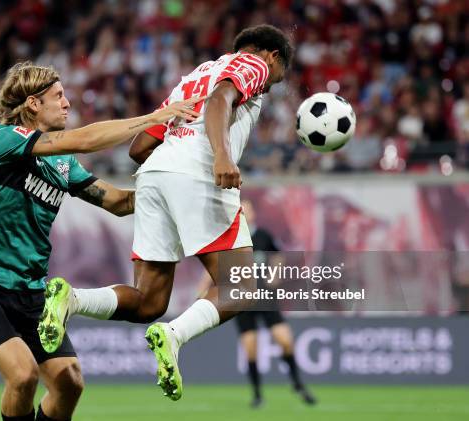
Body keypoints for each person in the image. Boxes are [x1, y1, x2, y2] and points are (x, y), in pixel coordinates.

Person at [38, 24, 293, 401]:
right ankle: (174, 336)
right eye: (277, 76)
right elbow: (222, 97)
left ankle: (72, 300)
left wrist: (172, 168)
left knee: (149, 302)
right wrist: (222, 154)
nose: (271, 85)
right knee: (240, 286)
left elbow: (139, 147)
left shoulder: (193, 77)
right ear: (272, 56)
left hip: (155, 175)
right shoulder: (253, 63)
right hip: (201, 172)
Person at [0, 61, 200, 421]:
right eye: (58, 97)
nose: (67, 104)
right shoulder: (1, 141)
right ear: (33, 104)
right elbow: (84, 139)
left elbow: (119, 203)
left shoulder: (62, 164)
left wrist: (180, 189)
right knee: (23, 375)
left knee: (70, 383)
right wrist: (156, 118)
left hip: (30, 292)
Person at [198, 199, 316, 408]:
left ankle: (297, 384)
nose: (244, 212)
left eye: (247, 209)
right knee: (251, 348)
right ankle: (257, 395)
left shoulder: (262, 236)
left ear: (252, 214)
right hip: (241, 300)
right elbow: (212, 266)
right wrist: (202, 290)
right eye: (240, 209)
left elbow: (278, 255)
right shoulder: (228, 239)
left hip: (265, 296)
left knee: (285, 340)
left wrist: (274, 275)